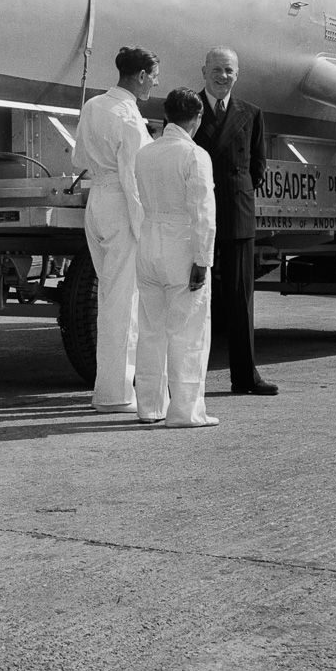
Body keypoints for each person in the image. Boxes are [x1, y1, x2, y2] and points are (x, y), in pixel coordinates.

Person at [72, 45, 159, 412]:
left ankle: (108, 388)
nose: (155, 83)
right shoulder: (127, 115)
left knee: (109, 297)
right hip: (122, 204)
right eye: (154, 76)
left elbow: (78, 158)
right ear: (140, 76)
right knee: (123, 304)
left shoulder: (93, 106)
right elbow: (134, 178)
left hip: (97, 203)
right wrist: (147, 230)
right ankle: (116, 393)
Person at [195, 46, 277, 396]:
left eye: (229, 70)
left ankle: (245, 376)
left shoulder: (252, 113)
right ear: (204, 71)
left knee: (241, 300)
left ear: (237, 74)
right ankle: (183, 379)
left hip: (238, 214)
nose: (222, 76)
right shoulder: (187, 108)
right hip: (196, 213)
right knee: (192, 296)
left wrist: (235, 192)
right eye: (216, 69)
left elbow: (257, 166)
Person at [134, 89, 217, 428]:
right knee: (188, 331)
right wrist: (203, 259)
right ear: (196, 119)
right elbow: (203, 213)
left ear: (167, 115)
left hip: (149, 241)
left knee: (151, 329)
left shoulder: (145, 153)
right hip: (181, 244)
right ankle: (185, 411)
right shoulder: (194, 155)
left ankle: (149, 406)